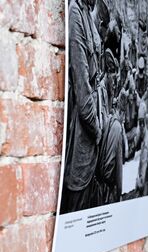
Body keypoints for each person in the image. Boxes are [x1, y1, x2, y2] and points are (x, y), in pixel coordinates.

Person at [61, 0, 102, 214]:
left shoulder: (87, 10)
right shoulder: (76, 11)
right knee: (77, 199)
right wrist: (96, 129)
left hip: (92, 117)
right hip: (83, 125)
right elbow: (83, 88)